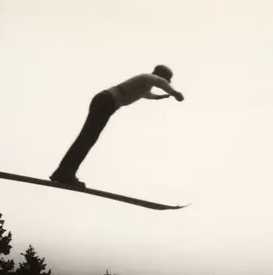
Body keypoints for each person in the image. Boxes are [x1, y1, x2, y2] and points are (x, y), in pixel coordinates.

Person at [50, 64, 184, 188]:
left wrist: (158, 97)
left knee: (87, 139)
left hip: (105, 102)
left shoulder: (145, 84)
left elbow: (146, 95)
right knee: (86, 139)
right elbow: (161, 82)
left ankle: (64, 172)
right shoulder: (148, 77)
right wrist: (175, 93)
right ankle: (64, 173)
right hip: (106, 101)